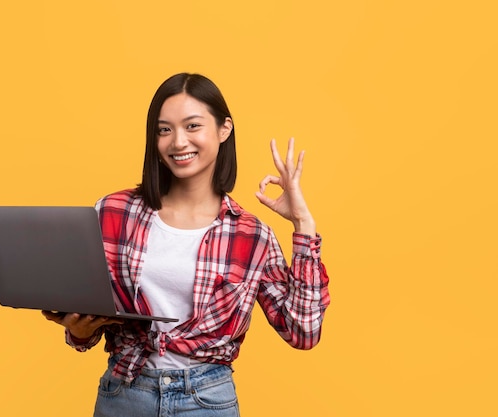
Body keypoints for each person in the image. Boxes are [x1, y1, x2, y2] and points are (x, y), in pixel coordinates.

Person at [42, 73, 330, 416]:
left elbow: (303, 332)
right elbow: (89, 320)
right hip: (124, 395)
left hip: (206, 401)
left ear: (224, 129)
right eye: (165, 129)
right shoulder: (113, 212)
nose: (178, 142)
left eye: (192, 126)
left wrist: (303, 225)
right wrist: (77, 330)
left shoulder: (252, 236)